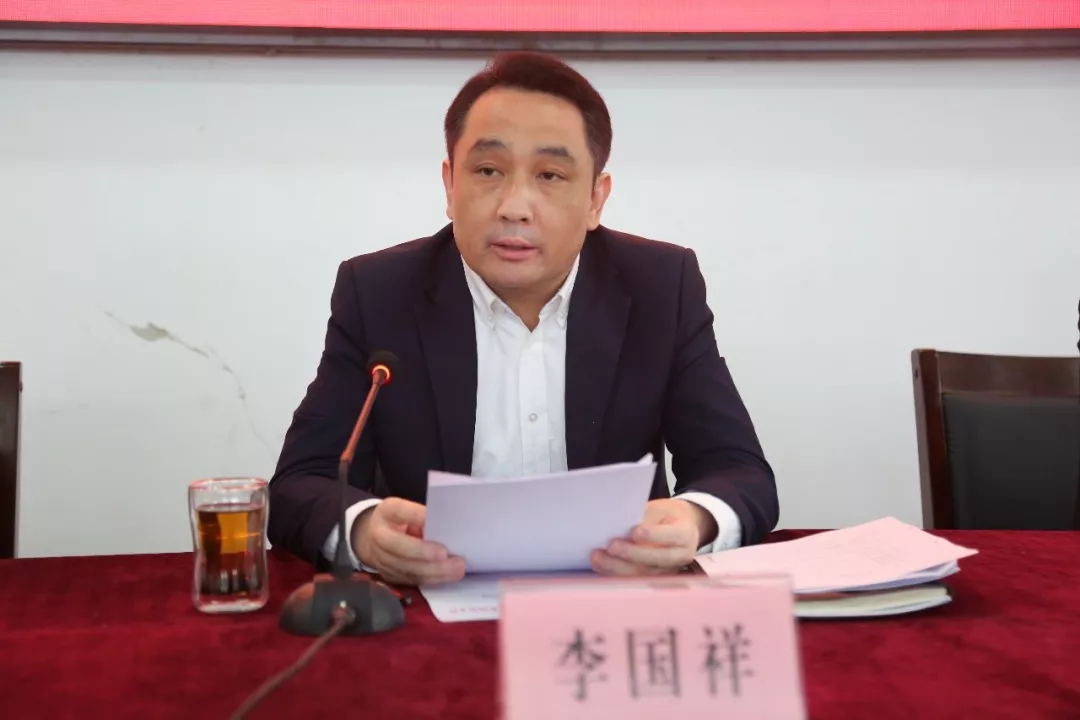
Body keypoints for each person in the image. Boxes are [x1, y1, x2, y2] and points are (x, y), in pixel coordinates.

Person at [267, 51, 778, 586]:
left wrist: (694, 520)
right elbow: (303, 481)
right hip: (433, 605)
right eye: (489, 170)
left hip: (614, 602)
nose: (515, 206)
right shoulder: (379, 293)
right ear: (450, 185)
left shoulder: (659, 288)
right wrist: (363, 530)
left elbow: (740, 471)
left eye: (550, 175)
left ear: (596, 199)